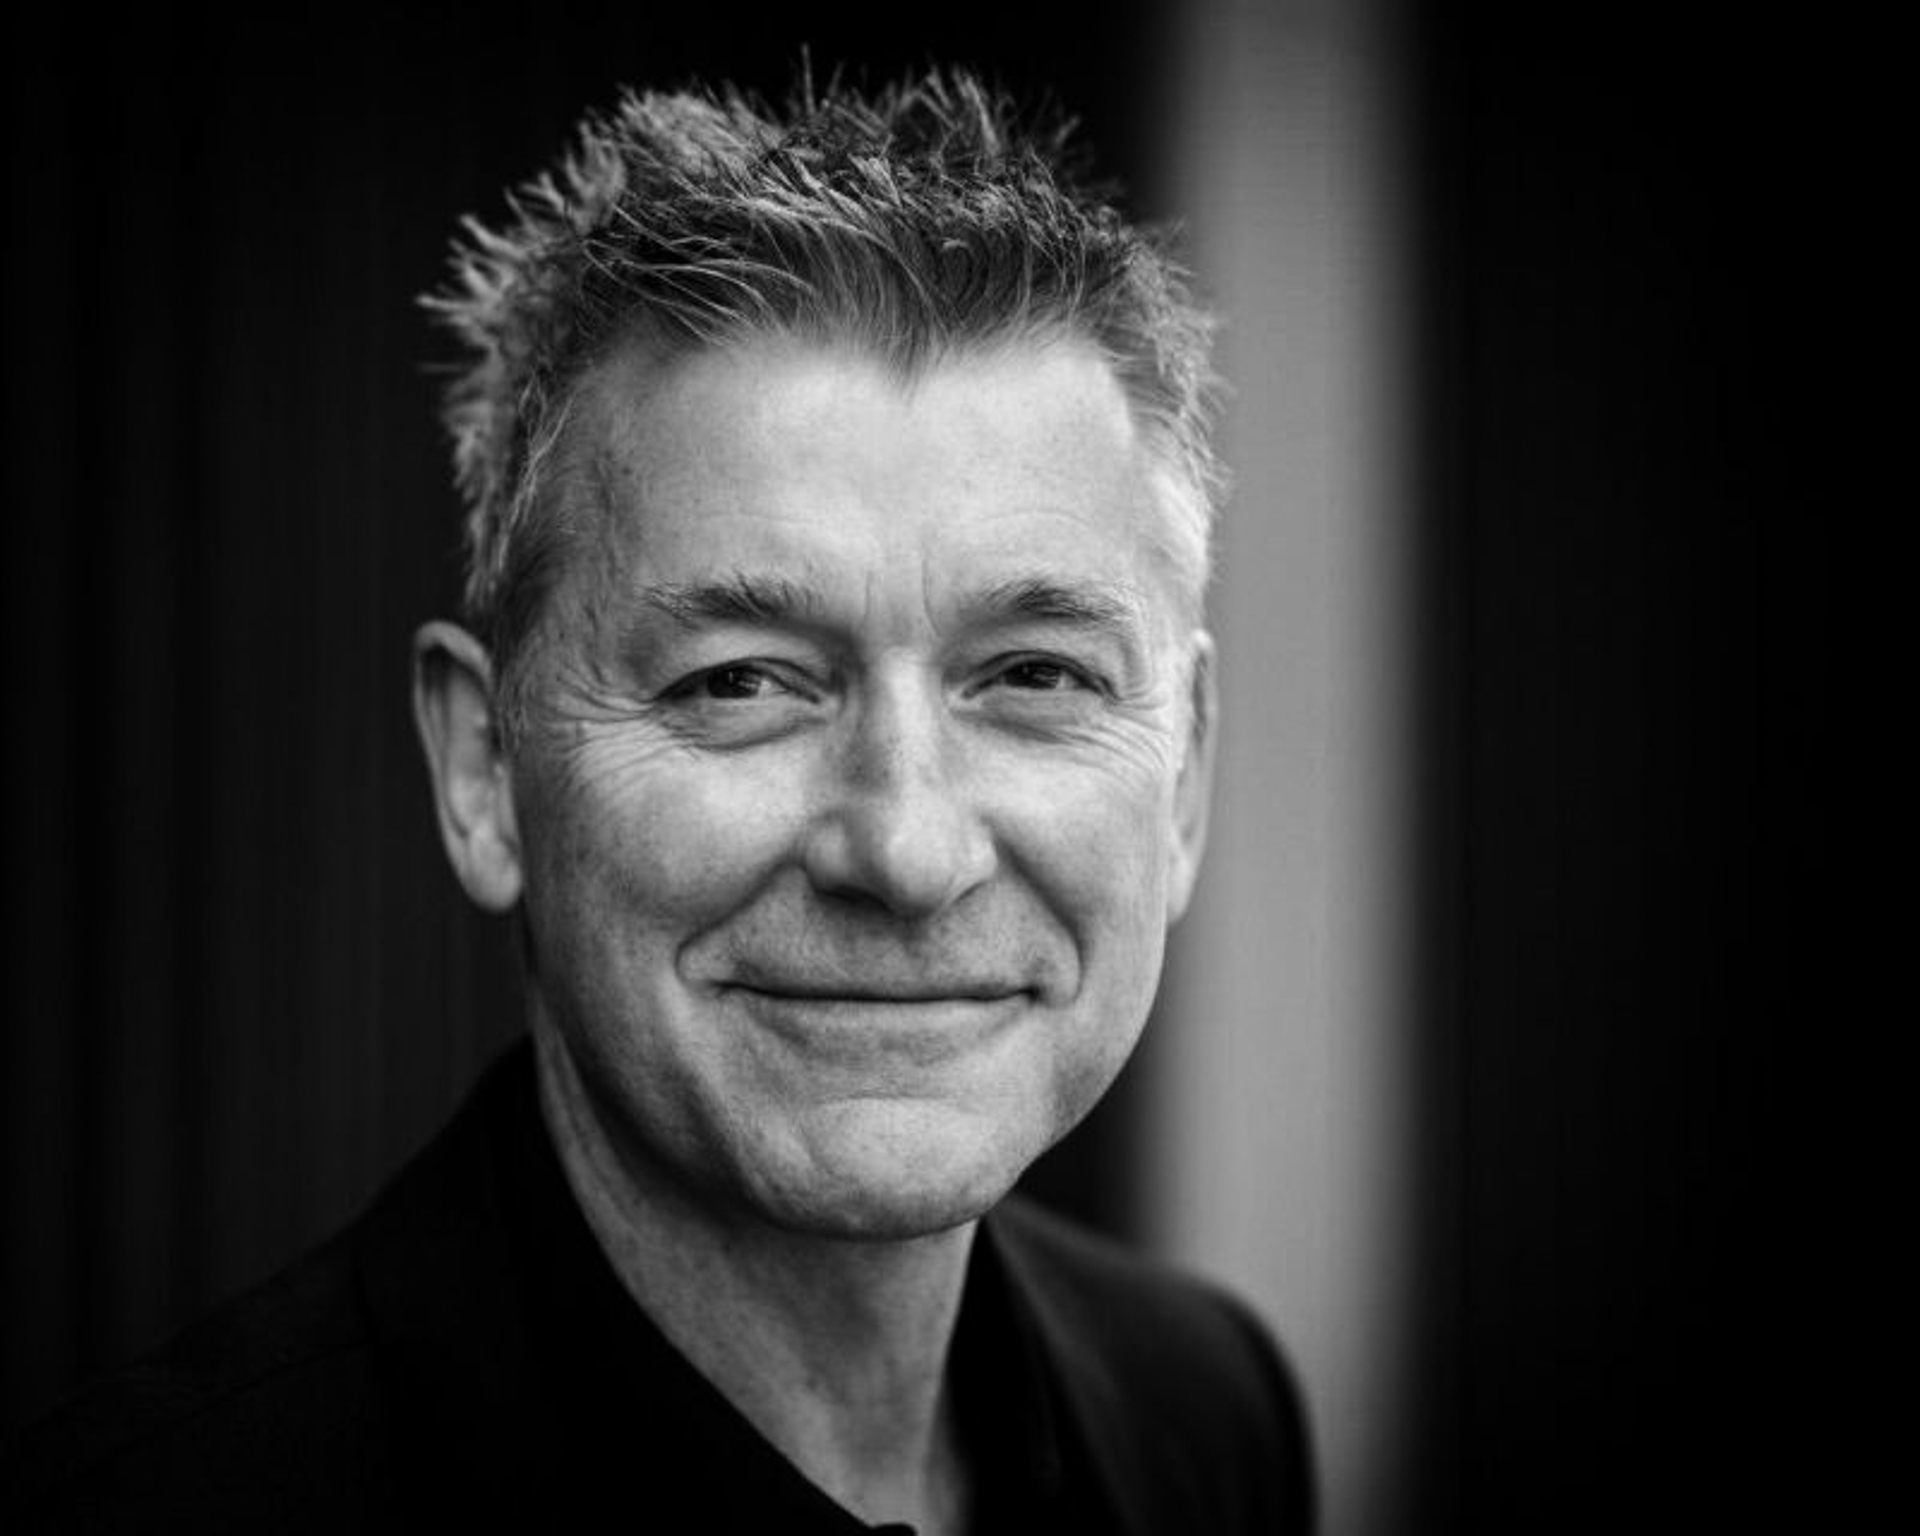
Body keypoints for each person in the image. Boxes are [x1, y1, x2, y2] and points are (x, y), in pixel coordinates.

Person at [6, 68, 1313, 1533]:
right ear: (484, 773)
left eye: (1033, 674)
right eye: (743, 682)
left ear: (1185, 771)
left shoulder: (1210, 1413)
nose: (905, 845)